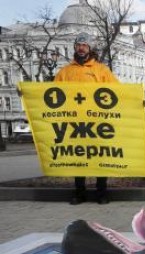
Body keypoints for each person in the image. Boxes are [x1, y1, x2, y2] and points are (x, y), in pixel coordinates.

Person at [54, 32, 119, 205]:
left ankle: (101, 193)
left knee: (100, 157)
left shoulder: (101, 70)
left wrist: (136, 99)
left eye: (85, 45)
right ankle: (79, 193)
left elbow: (117, 92)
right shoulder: (65, 72)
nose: (81, 48)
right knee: (78, 157)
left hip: (97, 121)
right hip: (75, 121)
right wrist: (26, 93)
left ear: (89, 48)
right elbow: (53, 93)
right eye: (78, 45)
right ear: (75, 47)